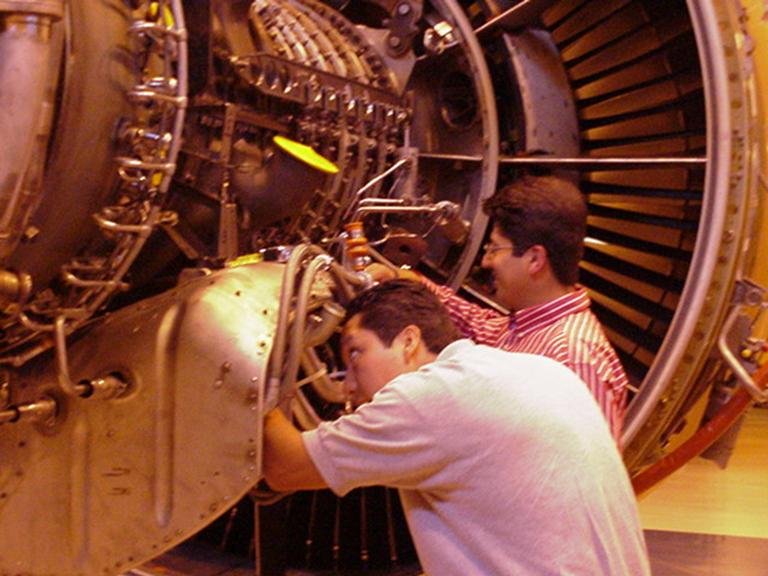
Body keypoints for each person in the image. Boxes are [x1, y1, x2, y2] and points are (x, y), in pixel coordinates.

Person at [262, 280, 651, 576]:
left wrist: (252, 364)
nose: (348, 384)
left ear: (408, 341)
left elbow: (285, 467)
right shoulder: (537, 369)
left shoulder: (427, 397)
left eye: (356, 353)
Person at [369, 174, 628, 444]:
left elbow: (588, 468)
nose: (486, 261)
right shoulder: (526, 328)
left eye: (494, 248)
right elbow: (477, 324)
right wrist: (408, 280)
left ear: (535, 259)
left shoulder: (574, 359)